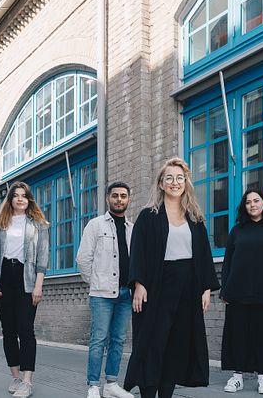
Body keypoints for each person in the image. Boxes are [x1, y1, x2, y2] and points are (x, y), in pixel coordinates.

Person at [124, 157, 221, 398]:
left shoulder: (195, 217)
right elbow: (138, 252)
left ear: (186, 182)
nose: (174, 182)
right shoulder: (148, 216)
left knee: (177, 345)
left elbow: (203, 255)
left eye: (180, 178)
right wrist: (138, 283)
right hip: (156, 285)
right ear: (161, 183)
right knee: (152, 343)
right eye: (169, 178)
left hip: (188, 286)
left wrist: (206, 288)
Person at [0, 181, 49, 398]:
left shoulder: (39, 224)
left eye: (24, 195)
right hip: (3, 279)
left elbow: (42, 259)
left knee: (26, 330)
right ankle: (16, 377)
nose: (20, 199)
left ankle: (27, 381)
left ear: (29, 200)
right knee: (8, 330)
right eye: (16, 195)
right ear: (9, 199)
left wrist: (38, 285)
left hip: (26, 279)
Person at [220, 189, 263, 394]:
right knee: (237, 334)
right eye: (248, 202)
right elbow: (227, 263)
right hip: (238, 291)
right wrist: (225, 289)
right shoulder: (237, 230)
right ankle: (237, 377)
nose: (252, 205)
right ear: (244, 206)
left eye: (256, 200)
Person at [76, 182, 135, 398]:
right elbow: (83, 259)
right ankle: (93, 385)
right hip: (101, 294)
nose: (119, 199)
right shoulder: (95, 225)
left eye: (123, 196)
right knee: (98, 339)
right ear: (108, 198)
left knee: (118, 339)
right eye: (115, 196)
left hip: (125, 294)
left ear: (129, 199)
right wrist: (96, 282)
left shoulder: (132, 228)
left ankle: (111, 384)